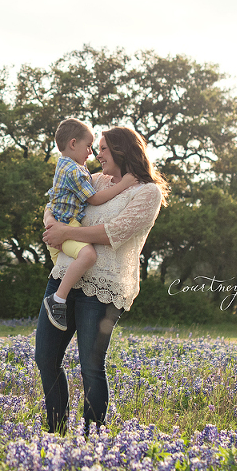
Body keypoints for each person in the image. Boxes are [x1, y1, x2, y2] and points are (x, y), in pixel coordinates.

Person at [36, 126, 169, 434]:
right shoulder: (95, 181)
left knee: (91, 367)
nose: (98, 155)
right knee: (45, 357)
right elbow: (54, 203)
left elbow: (114, 233)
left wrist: (65, 232)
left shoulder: (147, 192)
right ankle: (56, 432)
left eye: (105, 149)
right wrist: (51, 224)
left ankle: (91, 438)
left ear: (123, 151)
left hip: (103, 289)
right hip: (66, 278)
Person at [42, 118, 137, 331]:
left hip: (64, 225)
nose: (92, 153)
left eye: (100, 148)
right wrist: (124, 185)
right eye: (90, 146)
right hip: (67, 225)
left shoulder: (73, 167)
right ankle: (57, 299)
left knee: (64, 261)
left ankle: (59, 296)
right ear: (73, 144)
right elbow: (93, 199)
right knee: (88, 256)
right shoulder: (74, 171)